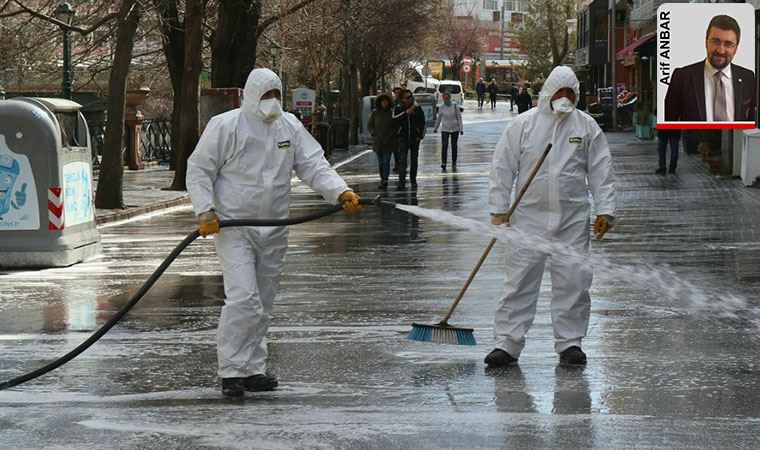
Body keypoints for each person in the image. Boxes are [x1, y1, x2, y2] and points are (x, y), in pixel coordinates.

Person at [186, 68, 363, 398]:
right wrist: (205, 210)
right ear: (252, 95)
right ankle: (231, 372)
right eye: (266, 95)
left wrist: (340, 191)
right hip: (233, 225)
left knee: (263, 301)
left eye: (276, 95)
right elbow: (199, 169)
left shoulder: (289, 126)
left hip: (275, 226)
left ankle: (253, 368)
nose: (272, 101)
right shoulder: (226, 126)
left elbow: (313, 164)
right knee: (243, 297)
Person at [486, 66, 616, 368]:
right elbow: (503, 166)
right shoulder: (524, 125)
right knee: (519, 281)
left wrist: (605, 210)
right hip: (528, 217)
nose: (565, 98)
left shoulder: (585, 127)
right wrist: (499, 207)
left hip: (571, 218)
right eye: (560, 92)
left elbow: (601, 169)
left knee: (573, 281)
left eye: (571, 93)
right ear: (547, 93)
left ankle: (570, 343)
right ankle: (507, 344)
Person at [664, 14, 756, 122]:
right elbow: (669, 120)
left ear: (736, 48)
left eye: (728, 44)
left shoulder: (748, 77)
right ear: (706, 42)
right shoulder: (682, 77)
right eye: (715, 41)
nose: (720, 50)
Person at [392, 89, 426, 190]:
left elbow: (423, 123)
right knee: (402, 160)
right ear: (403, 99)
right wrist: (405, 113)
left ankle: (413, 180)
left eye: (411, 96)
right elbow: (394, 119)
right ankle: (401, 182)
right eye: (407, 97)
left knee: (414, 160)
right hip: (403, 138)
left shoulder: (417, 108)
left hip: (414, 138)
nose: (410, 99)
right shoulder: (398, 108)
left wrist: (420, 136)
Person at [367, 93, 396, 189]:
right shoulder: (375, 113)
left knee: (386, 161)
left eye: (386, 101)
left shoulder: (392, 113)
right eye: (383, 101)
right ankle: (382, 177)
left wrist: (391, 134)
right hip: (378, 141)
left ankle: (385, 179)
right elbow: (370, 125)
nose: (384, 103)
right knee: (380, 162)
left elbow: (394, 126)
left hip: (388, 141)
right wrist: (374, 133)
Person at [433, 91, 464, 172]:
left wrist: (461, 128)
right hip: (445, 128)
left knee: (454, 146)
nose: (446, 100)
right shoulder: (442, 107)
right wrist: (435, 128)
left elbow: (459, 117)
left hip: (455, 128)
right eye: (444, 98)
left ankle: (454, 162)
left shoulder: (454, 105)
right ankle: (444, 162)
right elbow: (439, 118)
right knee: (444, 145)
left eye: (447, 98)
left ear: (450, 98)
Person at [391, 87, 403, 173]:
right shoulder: (393, 103)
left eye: (399, 92)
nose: (397, 94)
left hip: (402, 128)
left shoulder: (403, 103)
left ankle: (401, 164)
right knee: (395, 148)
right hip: (394, 129)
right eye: (396, 93)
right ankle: (397, 164)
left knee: (401, 147)